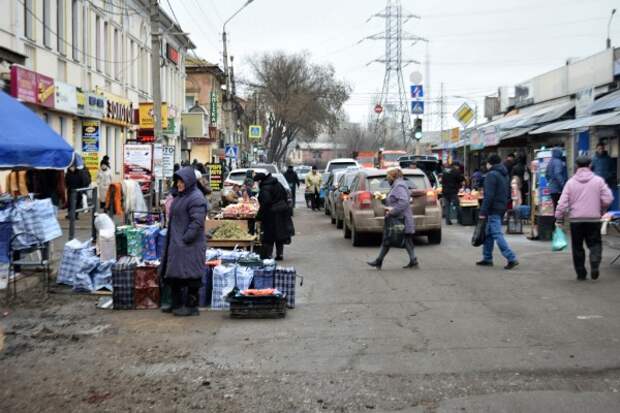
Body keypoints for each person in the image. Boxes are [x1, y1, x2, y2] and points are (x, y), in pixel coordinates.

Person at [159, 167, 208, 316]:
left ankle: (191, 307)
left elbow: (197, 221)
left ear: (189, 181)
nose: (179, 184)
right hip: (177, 243)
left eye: (182, 181)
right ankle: (176, 304)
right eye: (178, 181)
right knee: (175, 275)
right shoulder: (181, 196)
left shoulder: (196, 197)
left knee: (191, 277)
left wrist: (185, 238)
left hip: (189, 244)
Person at [555, 156, 613, 281]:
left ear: (576, 166)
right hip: (593, 219)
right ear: (590, 165)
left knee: (577, 247)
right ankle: (594, 261)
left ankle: (581, 273)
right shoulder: (598, 181)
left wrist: (559, 218)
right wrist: (601, 207)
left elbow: (562, 203)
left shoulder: (570, 182)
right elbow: (608, 198)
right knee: (595, 243)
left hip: (576, 221)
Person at [367, 168, 418, 270]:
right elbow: (394, 201)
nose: (387, 179)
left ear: (393, 177)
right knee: (404, 240)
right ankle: (413, 260)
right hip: (400, 218)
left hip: (400, 219)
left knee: (389, 239)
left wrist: (392, 211)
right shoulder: (398, 186)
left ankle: (378, 261)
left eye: (388, 177)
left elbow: (403, 202)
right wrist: (383, 198)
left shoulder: (399, 186)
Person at [477, 154, 519, 270]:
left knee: (496, 234)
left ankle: (511, 258)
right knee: (488, 233)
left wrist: (483, 211)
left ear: (490, 163)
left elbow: (489, 196)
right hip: (501, 206)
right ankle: (487, 258)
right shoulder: (504, 174)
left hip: (493, 208)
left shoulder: (491, 175)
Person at [254, 172, 293, 260]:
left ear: (260, 181)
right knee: (279, 234)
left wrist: (259, 216)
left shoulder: (265, 188)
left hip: (271, 213)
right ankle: (280, 254)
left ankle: (268, 255)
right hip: (282, 211)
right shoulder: (277, 183)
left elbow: (265, 203)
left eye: (256, 182)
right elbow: (285, 196)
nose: (256, 184)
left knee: (269, 235)